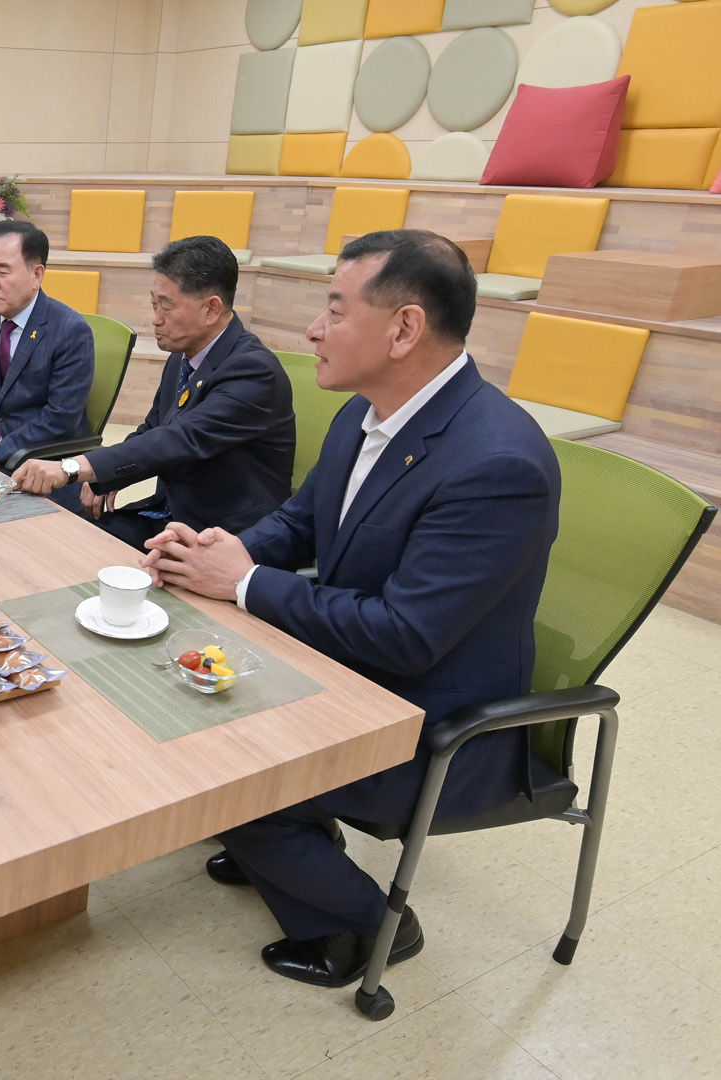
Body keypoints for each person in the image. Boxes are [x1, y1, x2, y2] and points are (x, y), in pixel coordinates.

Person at [141, 230, 561, 989]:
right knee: (173, 690)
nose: (312, 329)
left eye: (335, 310)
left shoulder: (498, 463)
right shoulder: (368, 412)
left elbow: (405, 636)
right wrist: (214, 552)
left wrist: (242, 583)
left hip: (436, 725)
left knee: (219, 762)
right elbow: (299, 522)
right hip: (354, 672)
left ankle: (369, 928)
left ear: (403, 329)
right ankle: (290, 837)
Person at [14, 236, 294, 546]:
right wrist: (110, 476)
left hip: (225, 536)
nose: (155, 319)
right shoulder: (183, 355)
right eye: (154, 304)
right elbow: (153, 429)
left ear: (211, 309)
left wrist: (73, 467)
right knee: (63, 537)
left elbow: (180, 438)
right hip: (169, 516)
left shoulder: (254, 371)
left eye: (167, 306)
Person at [0, 220, 94, 502]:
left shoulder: (70, 331)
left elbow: (61, 418)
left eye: (3, 271)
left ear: (37, 275)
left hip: (40, 464)